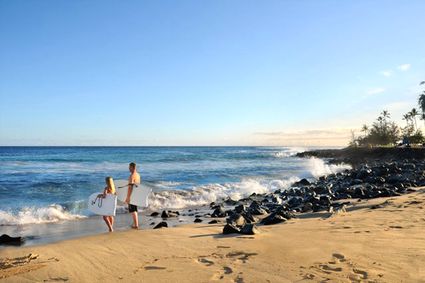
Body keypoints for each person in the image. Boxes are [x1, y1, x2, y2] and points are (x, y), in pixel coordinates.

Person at [125, 162, 141, 229]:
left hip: (132, 195)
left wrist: (128, 197)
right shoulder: (138, 175)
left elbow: (130, 187)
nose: (129, 169)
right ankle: (135, 223)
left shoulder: (132, 176)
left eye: (129, 167)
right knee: (135, 209)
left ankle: (136, 225)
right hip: (136, 194)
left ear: (133, 167)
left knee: (133, 210)